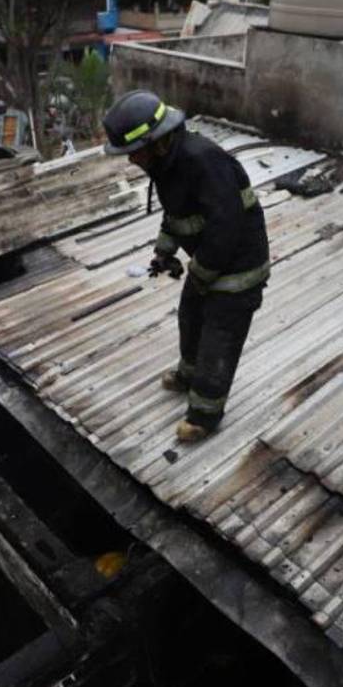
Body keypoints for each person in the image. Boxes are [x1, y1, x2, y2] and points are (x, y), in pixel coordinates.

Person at [102, 89, 270, 443]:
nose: (131, 161)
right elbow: (178, 214)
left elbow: (227, 225)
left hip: (238, 267)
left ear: (156, 141)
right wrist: (164, 252)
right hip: (210, 261)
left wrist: (202, 273)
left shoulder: (202, 160)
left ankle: (204, 415)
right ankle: (189, 375)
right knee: (190, 316)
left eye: (134, 152)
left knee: (218, 337)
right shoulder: (168, 164)